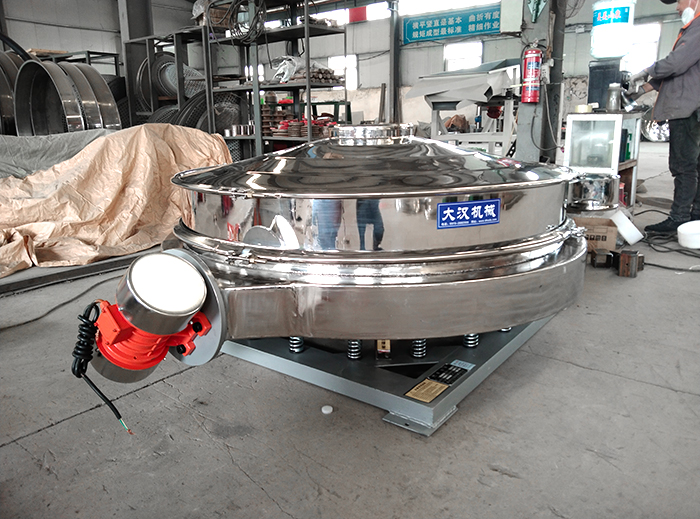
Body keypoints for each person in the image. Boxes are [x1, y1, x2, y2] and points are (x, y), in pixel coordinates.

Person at [627, 0, 700, 234]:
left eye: (679, 1)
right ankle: (695, 217)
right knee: (694, 164)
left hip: (687, 109)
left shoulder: (698, 26)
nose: (677, 8)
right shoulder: (691, 29)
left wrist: (646, 70)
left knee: (683, 166)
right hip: (693, 107)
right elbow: (680, 71)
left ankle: (679, 218)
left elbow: (676, 63)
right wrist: (643, 88)